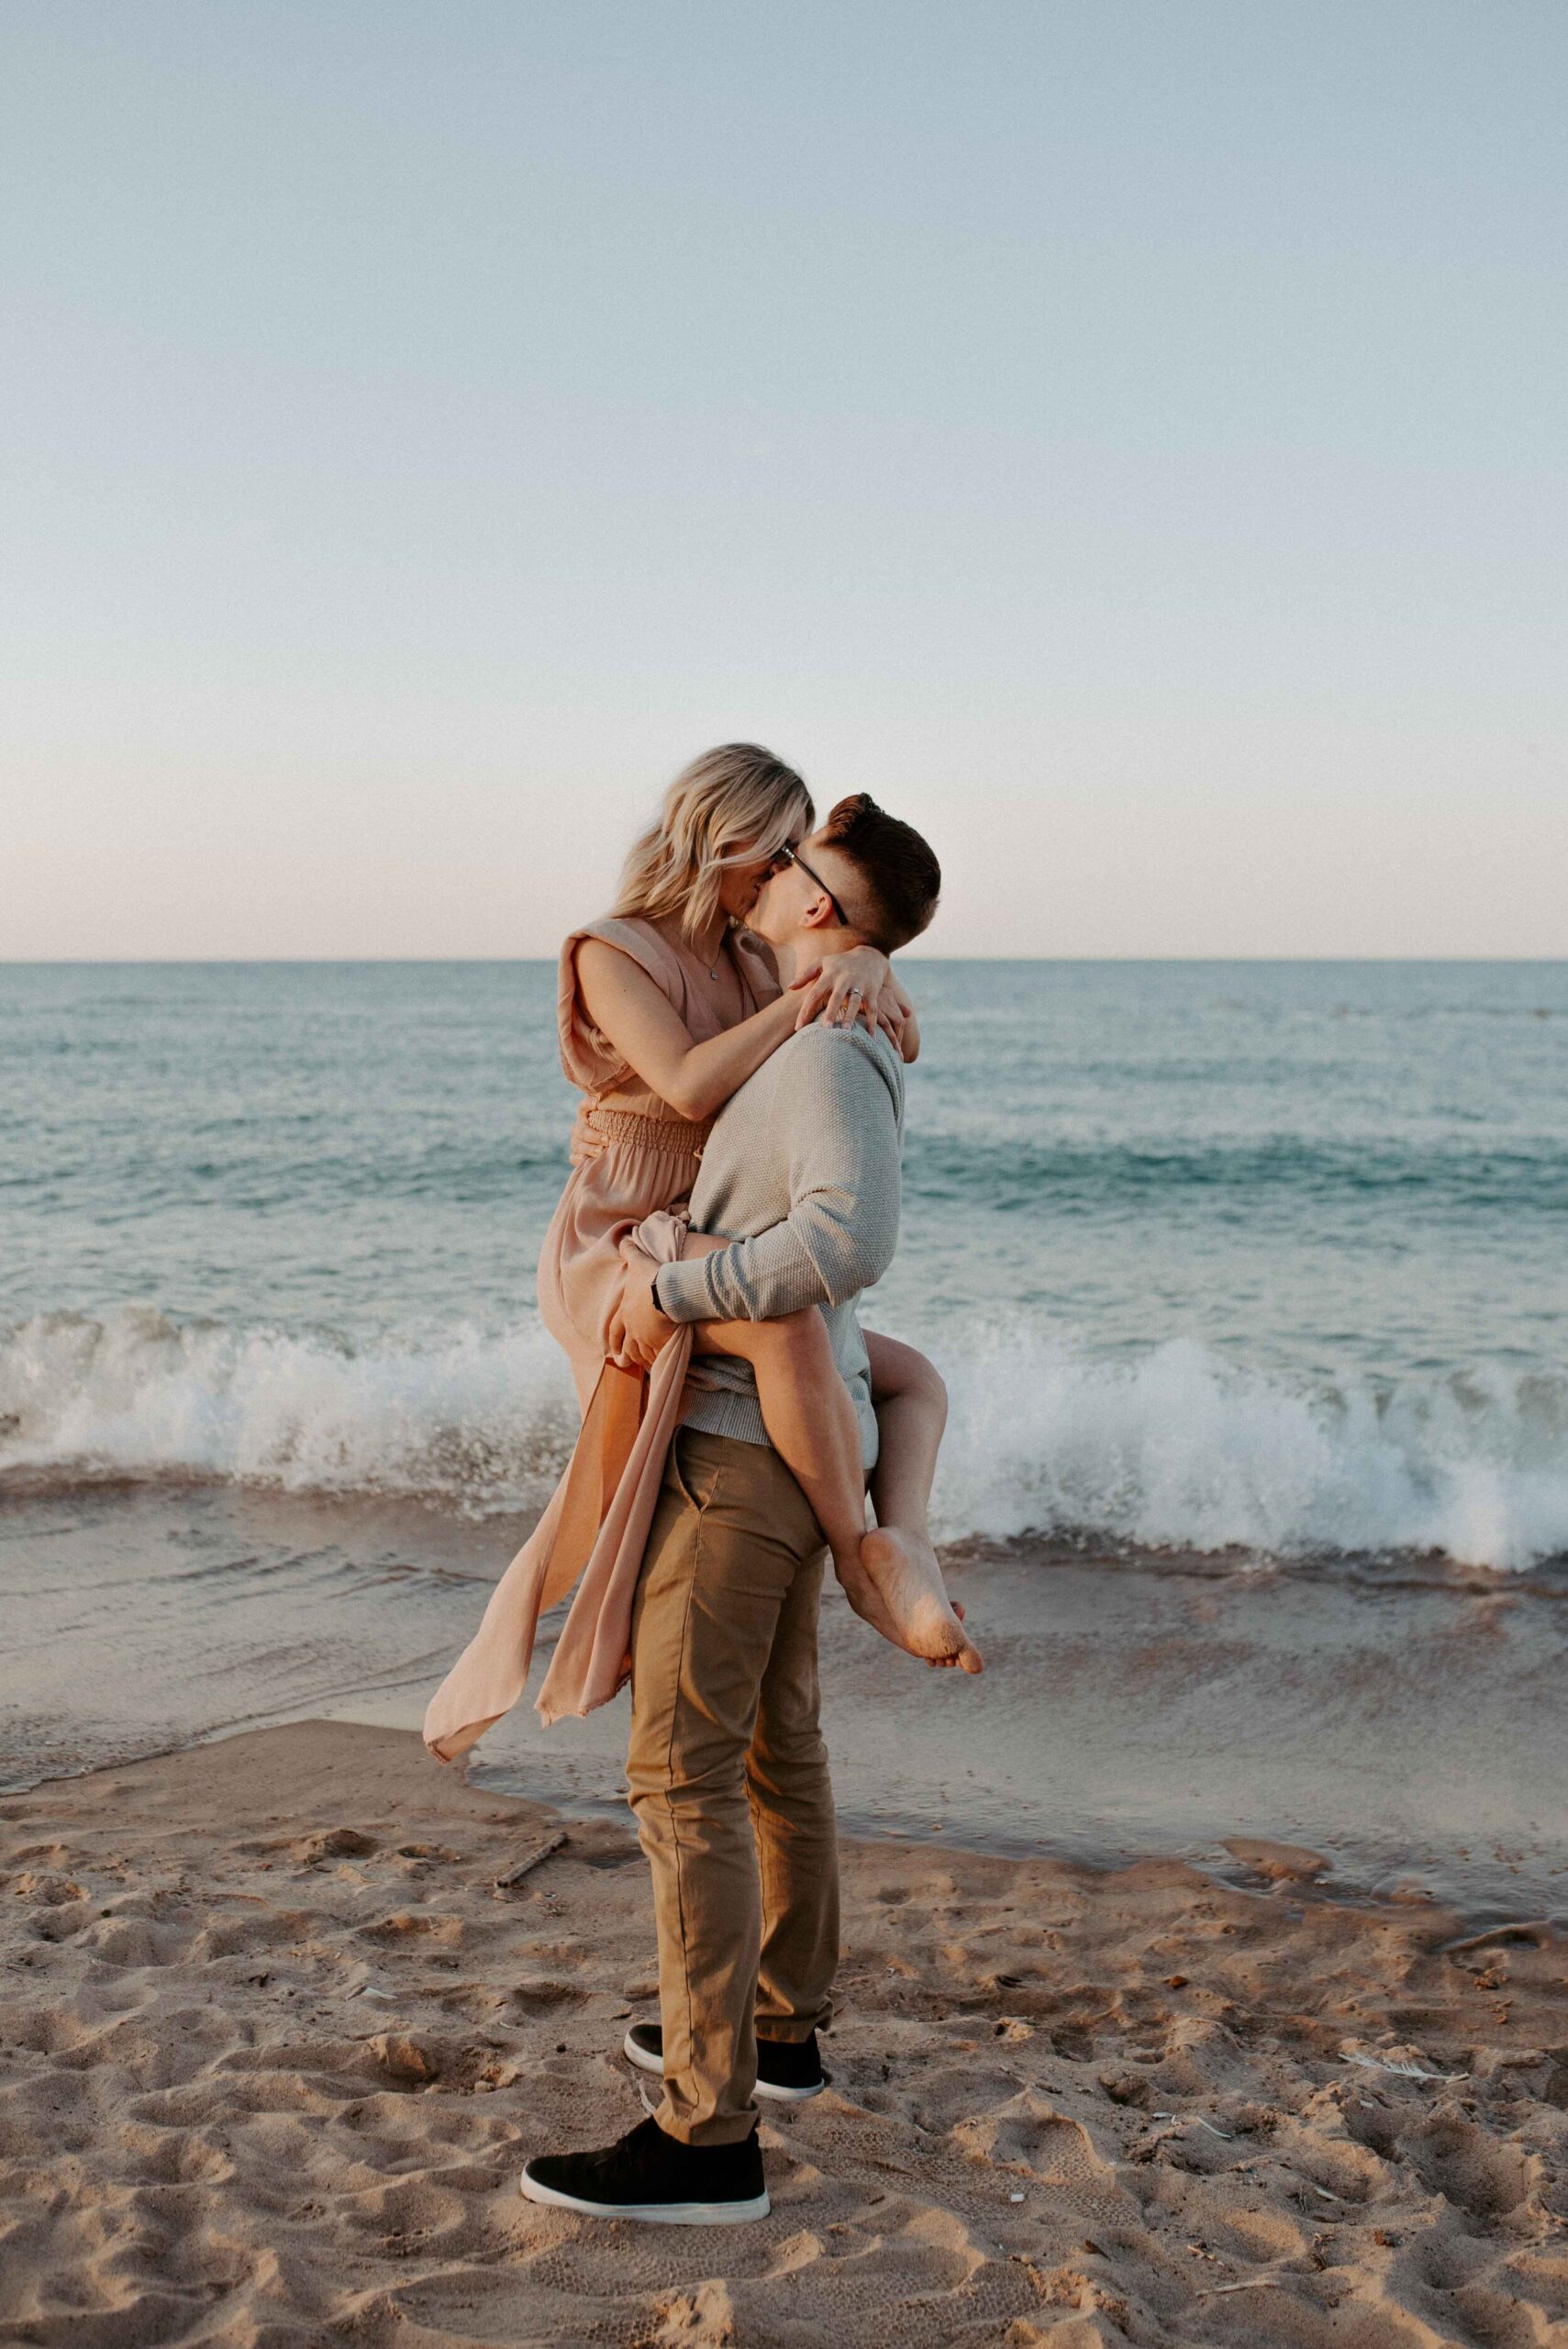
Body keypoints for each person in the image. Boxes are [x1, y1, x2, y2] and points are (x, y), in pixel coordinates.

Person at [520, 795, 963, 2224]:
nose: (770, 879)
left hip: (730, 1458)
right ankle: (778, 2034)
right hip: (767, 1445)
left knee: (679, 1779)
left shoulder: (827, 1051)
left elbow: (850, 1236)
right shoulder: (825, 1022)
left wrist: (669, 1289)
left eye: (792, 868)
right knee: (774, 1747)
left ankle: (705, 2138)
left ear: (820, 910)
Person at [422, 747, 976, 1767]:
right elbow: (681, 1084)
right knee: (783, 1327)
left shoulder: (752, 951)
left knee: (907, 1376)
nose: (775, 880)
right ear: (720, 839)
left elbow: (896, 1040)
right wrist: (811, 991)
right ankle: (858, 1555)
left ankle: (898, 1540)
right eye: (769, 856)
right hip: (619, 1234)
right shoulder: (612, 949)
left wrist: (869, 963)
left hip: (699, 1221)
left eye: (788, 866)